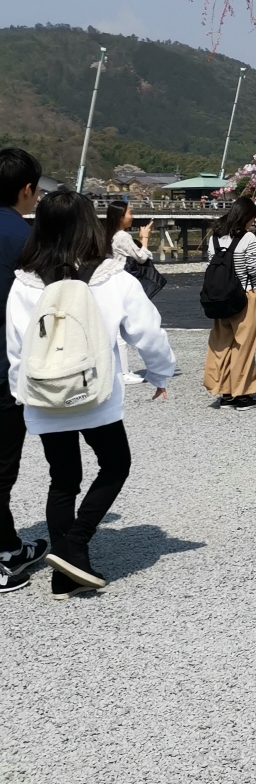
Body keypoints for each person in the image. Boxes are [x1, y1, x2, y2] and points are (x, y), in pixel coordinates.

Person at [6, 188, 174, 594]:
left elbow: (16, 348)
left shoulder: (24, 282)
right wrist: (160, 373)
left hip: (44, 398)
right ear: (89, 225)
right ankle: (75, 547)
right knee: (115, 465)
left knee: (63, 480)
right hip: (95, 396)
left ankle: (67, 571)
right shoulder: (110, 277)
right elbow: (147, 332)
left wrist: (21, 394)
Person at [0, 148, 47, 594]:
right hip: (2, 366)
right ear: (27, 188)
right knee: (2, 464)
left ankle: (10, 544)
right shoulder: (22, 237)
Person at [202, 195, 256, 409]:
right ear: (246, 217)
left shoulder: (215, 238)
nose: (252, 223)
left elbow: (211, 265)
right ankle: (242, 395)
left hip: (219, 297)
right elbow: (252, 270)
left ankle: (225, 392)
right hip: (245, 295)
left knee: (222, 344)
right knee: (243, 346)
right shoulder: (248, 239)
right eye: (252, 219)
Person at [105, 199, 154, 383]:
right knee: (121, 330)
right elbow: (141, 257)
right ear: (120, 217)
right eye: (129, 212)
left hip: (109, 283)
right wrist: (145, 239)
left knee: (115, 328)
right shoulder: (122, 237)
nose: (132, 216)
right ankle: (123, 372)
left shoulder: (108, 234)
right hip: (119, 284)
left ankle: (119, 370)